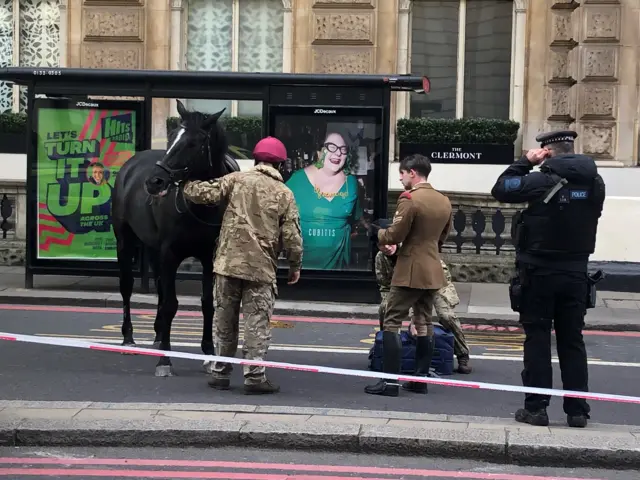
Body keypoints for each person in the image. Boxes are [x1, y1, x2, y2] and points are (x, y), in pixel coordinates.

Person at [490, 130, 606, 428]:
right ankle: (578, 411)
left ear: (547, 152)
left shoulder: (541, 180)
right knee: (572, 342)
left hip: (538, 272)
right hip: (576, 272)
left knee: (538, 339)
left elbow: (500, 189)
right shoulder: (595, 182)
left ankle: (536, 408)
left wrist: (524, 162)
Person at [182, 136, 304, 395]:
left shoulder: (236, 179)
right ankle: (254, 377)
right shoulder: (285, 194)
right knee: (256, 322)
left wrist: (185, 183)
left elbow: (205, 194)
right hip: (261, 269)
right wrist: (295, 265)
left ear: (256, 159)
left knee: (224, 320)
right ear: (280, 165)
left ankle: (220, 373)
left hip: (227, 265)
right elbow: (292, 237)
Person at [365, 154, 452, 396]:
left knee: (392, 319)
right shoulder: (444, 200)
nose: (401, 178)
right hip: (432, 268)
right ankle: (420, 379)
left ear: (412, 172)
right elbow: (442, 237)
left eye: (402, 173)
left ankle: (390, 383)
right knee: (424, 321)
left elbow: (395, 235)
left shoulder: (410, 199)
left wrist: (379, 232)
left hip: (410, 269)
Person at [375, 249, 472, 374]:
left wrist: (415, 317)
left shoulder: (412, 249)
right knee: (385, 308)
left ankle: (462, 356)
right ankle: (385, 351)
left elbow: (423, 287)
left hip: (436, 282)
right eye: (383, 245)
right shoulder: (381, 257)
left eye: (390, 243)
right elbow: (384, 285)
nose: (387, 247)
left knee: (446, 316)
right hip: (401, 287)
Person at [285, 131, 363, 270]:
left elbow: (356, 220)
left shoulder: (351, 183)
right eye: (331, 146)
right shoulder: (297, 180)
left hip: (339, 272)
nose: (338, 153)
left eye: (342, 149)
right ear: (319, 152)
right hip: (301, 270)